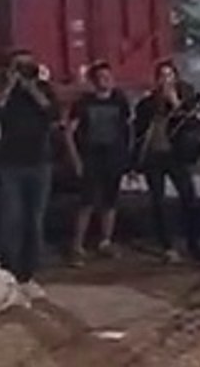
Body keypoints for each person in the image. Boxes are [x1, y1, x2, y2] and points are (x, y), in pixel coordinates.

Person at [0, 49, 60, 298]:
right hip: (9, 164)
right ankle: (9, 273)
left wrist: (31, 87)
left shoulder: (43, 89)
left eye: (27, 65)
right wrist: (10, 85)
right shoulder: (4, 90)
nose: (23, 70)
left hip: (39, 163)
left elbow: (51, 113)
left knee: (34, 220)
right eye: (18, 66)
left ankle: (27, 276)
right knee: (11, 220)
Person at [134, 61, 200, 262]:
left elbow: (194, 123)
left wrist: (175, 103)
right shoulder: (147, 103)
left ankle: (194, 243)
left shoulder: (188, 97)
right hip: (154, 156)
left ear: (176, 77)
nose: (165, 80)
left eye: (169, 75)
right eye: (161, 76)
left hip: (177, 155)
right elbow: (139, 132)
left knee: (188, 198)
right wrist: (134, 162)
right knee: (158, 201)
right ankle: (167, 245)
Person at [66, 62, 133, 266]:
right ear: (94, 81)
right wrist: (75, 159)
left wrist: (127, 159)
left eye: (108, 76)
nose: (106, 80)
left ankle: (105, 241)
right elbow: (68, 131)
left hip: (113, 158)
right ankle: (77, 246)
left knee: (110, 202)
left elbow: (129, 129)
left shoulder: (120, 101)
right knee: (86, 202)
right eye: (102, 77)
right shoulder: (83, 103)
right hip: (91, 158)